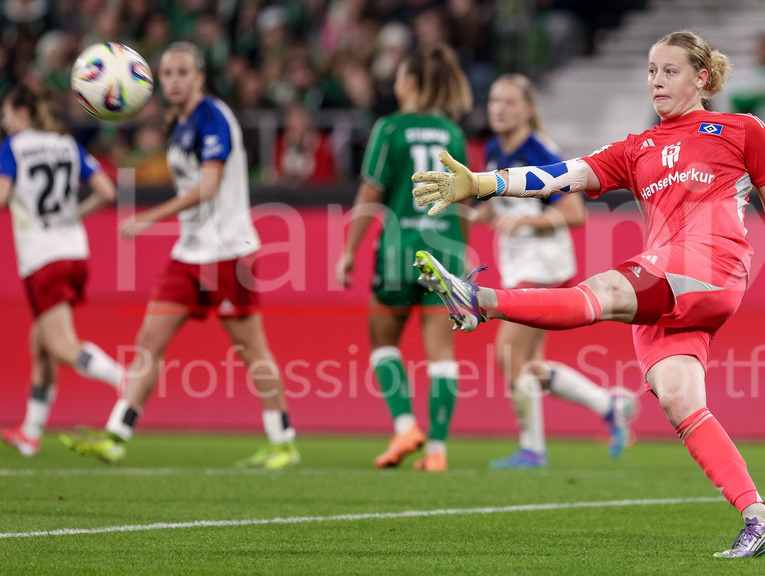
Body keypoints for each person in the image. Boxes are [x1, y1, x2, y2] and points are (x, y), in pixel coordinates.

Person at [411, 30, 765, 558]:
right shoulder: (636, 148)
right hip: (671, 289)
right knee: (678, 398)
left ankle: (479, 301)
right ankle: (759, 518)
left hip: (710, 265)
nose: (657, 80)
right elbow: (559, 177)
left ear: (702, 77)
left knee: (602, 290)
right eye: (651, 70)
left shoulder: (741, 129)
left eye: (670, 70)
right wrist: (482, 183)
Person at [59, 42, 300, 469]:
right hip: (190, 253)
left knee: (251, 349)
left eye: (182, 72)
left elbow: (208, 187)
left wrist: (150, 217)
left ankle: (283, 441)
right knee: (149, 341)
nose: (173, 80)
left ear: (199, 77)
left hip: (228, 251)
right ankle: (116, 435)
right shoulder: (180, 123)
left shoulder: (212, 117)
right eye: (167, 73)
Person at [479, 73, 637, 469]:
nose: (499, 109)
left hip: (544, 265)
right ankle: (610, 405)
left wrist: (526, 222)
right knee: (529, 366)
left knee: (507, 353)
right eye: (494, 100)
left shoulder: (540, 151)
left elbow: (574, 212)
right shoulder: (494, 149)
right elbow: (499, 205)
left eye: (509, 102)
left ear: (529, 109)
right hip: (519, 266)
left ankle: (532, 449)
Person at [335, 44, 472, 473]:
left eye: (397, 77)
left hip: (399, 253)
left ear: (409, 82)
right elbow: (465, 201)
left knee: (383, 343)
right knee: (442, 355)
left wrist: (348, 251)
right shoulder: (452, 133)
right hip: (445, 253)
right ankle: (437, 449)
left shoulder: (390, 128)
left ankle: (405, 426)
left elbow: (371, 192)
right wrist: (462, 257)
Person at [0, 84, 124, 457]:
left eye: (6, 113)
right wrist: (72, 216)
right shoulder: (68, 145)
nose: (4, 121)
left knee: (61, 345)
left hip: (42, 257)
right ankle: (30, 434)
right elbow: (107, 192)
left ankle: (126, 380)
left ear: (23, 113)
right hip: (74, 252)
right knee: (41, 342)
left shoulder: (13, 147)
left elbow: (2, 196)